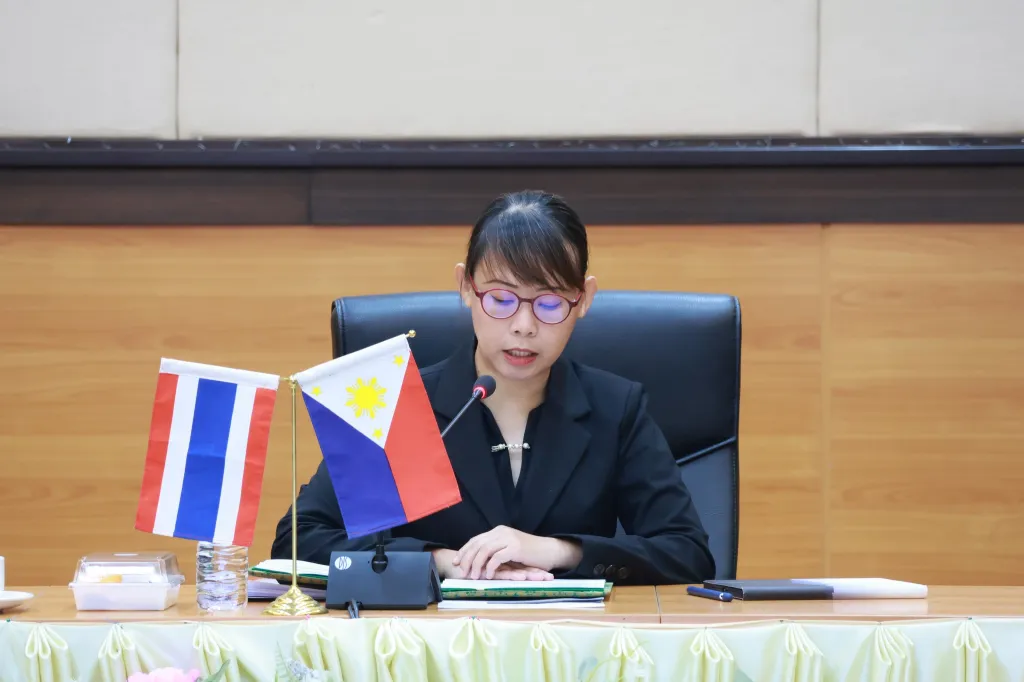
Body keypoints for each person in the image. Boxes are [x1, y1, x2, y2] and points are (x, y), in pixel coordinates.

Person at [271, 190, 715, 585]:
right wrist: (440, 562)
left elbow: (687, 552)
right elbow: (299, 540)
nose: (523, 326)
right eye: (501, 299)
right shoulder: (400, 405)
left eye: (549, 302)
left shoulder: (616, 409)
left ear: (584, 299)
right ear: (466, 287)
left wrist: (559, 551)